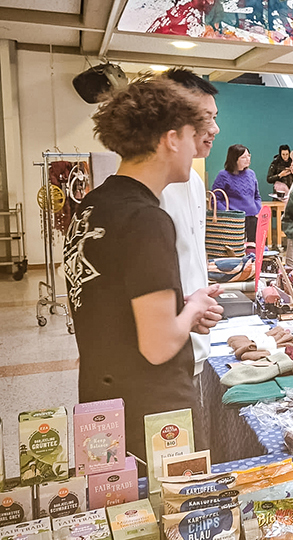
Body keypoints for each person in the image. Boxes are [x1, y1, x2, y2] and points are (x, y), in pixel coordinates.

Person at [63, 78, 222, 465]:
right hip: (154, 413)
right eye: (192, 133)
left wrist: (178, 309)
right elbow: (159, 345)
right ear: (171, 139)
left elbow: (109, 303)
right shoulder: (148, 218)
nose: (196, 144)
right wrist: (193, 308)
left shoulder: (93, 205)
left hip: (101, 398)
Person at [159, 68, 222, 452]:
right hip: (166, 351)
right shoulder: (155, 188)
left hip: (195, 347)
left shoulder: (194, 180)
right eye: (207, 118)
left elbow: (188, 255)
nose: (215, 128)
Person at [212, 144, 262, 248]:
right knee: (235, 249)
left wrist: (257, 209)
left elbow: (257, 196)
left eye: (249, 156)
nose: (247, 159)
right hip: (233, 220)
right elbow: (215, 199)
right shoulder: (223, 175)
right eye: (243, 157)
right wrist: (228, 213)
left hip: (252, 218)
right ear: (234, 159)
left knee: (252, 248)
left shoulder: (251, 174)